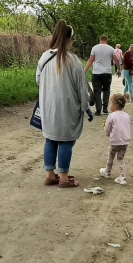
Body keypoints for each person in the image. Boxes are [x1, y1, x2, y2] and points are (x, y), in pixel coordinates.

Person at [36, 21, 93, 189]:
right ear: (69, 39)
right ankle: (63, 178)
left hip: (48, 106)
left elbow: (38, 80)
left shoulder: (44, 56)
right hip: (67, 108)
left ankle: (49, 176)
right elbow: (82, 88)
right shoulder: (73, 60)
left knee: (51, 139)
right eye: (73, 39)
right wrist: (86, 107)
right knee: (66, 141)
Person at [99, 93, 131, 185]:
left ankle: (107, 172)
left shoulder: (111, 116)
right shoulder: (126, 115)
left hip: (115, 142)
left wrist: (107, 133)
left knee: (111, 157)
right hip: (125, 141)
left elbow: (107, 128)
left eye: (110, 104)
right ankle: (123, 177)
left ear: (115, 105)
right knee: (121, 159)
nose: (109, 106)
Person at [84, 35, 115, 116]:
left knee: (97, 91)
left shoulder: (95, 48)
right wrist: (118, 70)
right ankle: (105, 108)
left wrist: (84, 71)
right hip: (107, 73)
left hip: (96, 73)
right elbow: (117, 60)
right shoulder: (111, 48)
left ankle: (98, 110)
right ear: (107, 40)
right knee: (106, 90)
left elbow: (91, 60)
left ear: (100, 40)